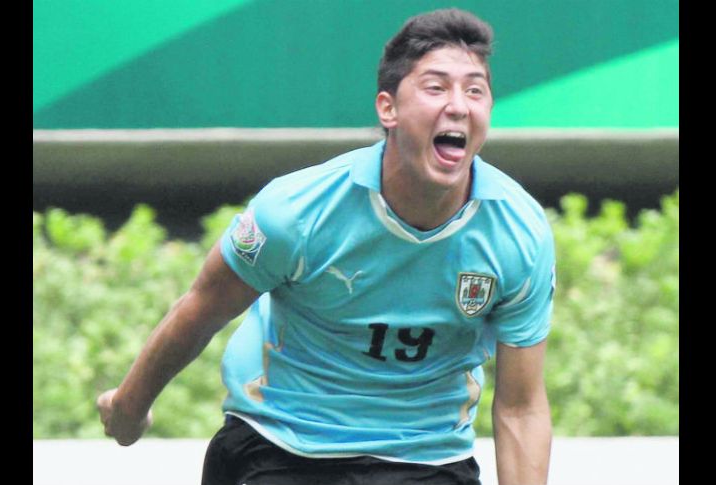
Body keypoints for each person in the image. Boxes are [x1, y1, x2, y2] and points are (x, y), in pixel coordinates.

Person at [97, 8, 555, 485]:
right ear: (388, 109)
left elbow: (521, 407)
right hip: (279, 443)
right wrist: (129, 407)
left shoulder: (519, 233)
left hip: (426, 458)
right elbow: (201, 309)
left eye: (475, 90)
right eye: (436, 87)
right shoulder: (296, 211)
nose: (459, 105)